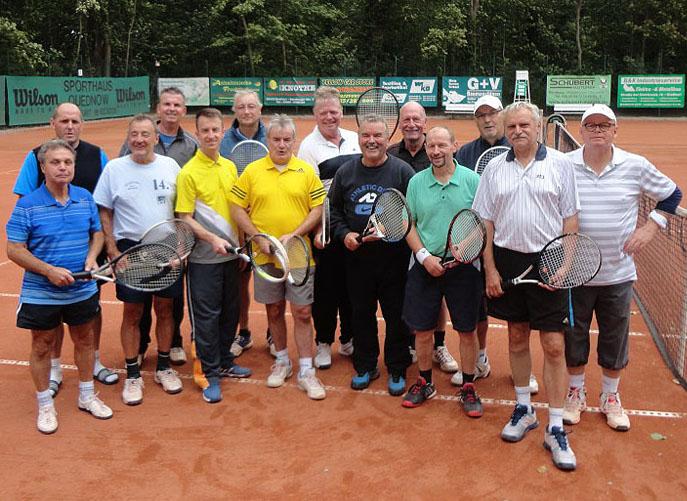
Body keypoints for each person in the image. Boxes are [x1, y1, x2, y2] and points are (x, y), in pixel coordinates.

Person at [472, 101, 580, 471]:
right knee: (517, 336)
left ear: (537, 127)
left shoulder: (560, 165)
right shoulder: (494, 169)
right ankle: (524, 409)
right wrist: (490, 269)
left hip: (549, 260)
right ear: (506, 130)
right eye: (512, 126)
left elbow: (570, 219)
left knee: (553, 345)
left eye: (524, 125)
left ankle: (555, 426)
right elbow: (485, 223)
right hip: (507, 260)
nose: (518, 131)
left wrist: (564, 266)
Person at [563, 104, 682, 431]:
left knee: (614, 338)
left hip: (618, 274)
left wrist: (651, 227)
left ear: (615, 130)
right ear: (581, 131)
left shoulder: (635, 165)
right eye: (591, 125)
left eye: (604, 125)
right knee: (573, 336)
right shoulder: (564, 164)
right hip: (574, 272)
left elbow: (672, 195)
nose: (597, 130)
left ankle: (610, 396)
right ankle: (575, 392)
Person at [7, 139, 113, 434]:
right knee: (42, 345)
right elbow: (14, 249)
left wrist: (91, 258)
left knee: (85, 341)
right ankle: (45, 404)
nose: (63, 167)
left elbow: (97, 234)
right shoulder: (27, 205)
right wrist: (49, 271)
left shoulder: (84, 198)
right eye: (55, 162)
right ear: (43, 167)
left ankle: (87, 396)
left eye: (68, 162)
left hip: (81, 289)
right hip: (41, 292)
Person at [229, 114, 327, 400]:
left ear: (294, 141)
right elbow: (236, 207)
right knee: (273, 309)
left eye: (287, 140)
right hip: (265, 255)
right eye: (276, 139)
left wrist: (296, 234)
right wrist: (257, 237)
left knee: (303, 312)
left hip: (298, 254)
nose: (281, 145)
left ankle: (306, 370)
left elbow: (318, 208)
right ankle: (282, 361)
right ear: (268, 140)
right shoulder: (252, 171)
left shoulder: (306, 171)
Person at [94, 114, 184, 406]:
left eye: (145, 134)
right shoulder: (114, 169)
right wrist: (111, 248)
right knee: (132, 312)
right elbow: (104, 210)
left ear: (156, 138)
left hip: (166, 246)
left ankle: (164, 367)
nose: (139, 140)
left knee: (166, 309)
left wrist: (180, 243)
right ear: (128, 137)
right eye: (134, 134)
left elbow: (181, 209)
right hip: (129, 248)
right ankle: (133, 374)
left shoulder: (171, 166)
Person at [455, 95, 539, 393]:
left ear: (501, 116)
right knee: (477, 306)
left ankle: (524, 371)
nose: (488, 119)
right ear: (476, 120)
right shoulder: (465, 153)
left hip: (511, 245)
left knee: (520, 317)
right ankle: (480, 358)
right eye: (481, 115)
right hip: (475, 241)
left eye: (492, 113)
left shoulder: (518, 145)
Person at [400, 126, 483, 416]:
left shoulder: (472, 180)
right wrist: (424, 257)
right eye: (431, 146)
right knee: (423, 331)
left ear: (454, 146)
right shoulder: (416, 182)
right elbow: (408, 223)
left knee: (467, 330)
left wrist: (465, 248)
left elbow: (483, 221)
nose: (436, 151)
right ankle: (424, 382)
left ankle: (469, 384)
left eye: (441, 145)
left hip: (465, 267)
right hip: (426, 265)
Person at [329, 114, 414, 396]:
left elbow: (413, 213)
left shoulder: (402, 172)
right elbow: (334, 210)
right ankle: (365, 365)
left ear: (388, 139)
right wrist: (345, 234)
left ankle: (397, 366)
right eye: (366, 135)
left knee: (396, 315)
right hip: (357, 261)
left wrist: (395, 230)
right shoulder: (346, 172)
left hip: (394, 260)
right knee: (361, 314)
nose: (372, 141)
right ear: (359, 138)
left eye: (378, 135)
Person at [176, 108, 252, 403]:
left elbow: (237, 210)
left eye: (215, 130)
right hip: (203, 260)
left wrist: (241, 246)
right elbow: (185, 216)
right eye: (205, 130)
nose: (210, 135)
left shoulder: (230, 167)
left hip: (231, 257)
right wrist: (211, 239)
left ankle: (224, 361)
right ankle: (208, 373)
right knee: (206, 318)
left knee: (230, 312)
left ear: (223, 132)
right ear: (197, 134)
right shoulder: (188, 173)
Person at [120, 87, 198, 366]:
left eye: (177, 105)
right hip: (138, 237)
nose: (171, 109)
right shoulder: (135, 140)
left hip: (172, 233)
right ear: (158, 108)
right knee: (138, 297)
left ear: (183, 110)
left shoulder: (191, 145)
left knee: (171, 298)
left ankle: (174, 342)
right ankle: (141, 344)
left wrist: (183, 235)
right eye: (167, 104)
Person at [387, 101, 460, 376]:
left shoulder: (438, 153)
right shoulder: (390, 154)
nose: (411, 124)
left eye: (416, 119)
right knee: (404, 296)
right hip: (400, 239)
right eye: (406, 119)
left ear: (425, 122)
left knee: (436, 298)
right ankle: (409, 345)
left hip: (428, 242)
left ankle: (438, 345)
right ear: (400, 123)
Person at [298, 86, 360, 370]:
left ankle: (348, 339)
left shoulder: (355, 140)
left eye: (334, 112)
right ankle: (323, 341)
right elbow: (310, 195)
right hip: (326, 229)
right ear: (315, 114)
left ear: (341, 112)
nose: (329, 117)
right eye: (323, 113)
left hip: (353, 229)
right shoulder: (308, 147)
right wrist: (318, 230)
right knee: (326, 291)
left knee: (352, 288)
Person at [218, 90, 268, 358]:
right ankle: (244, 332)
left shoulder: (272, 136)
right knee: (240, 280)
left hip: (267, 220)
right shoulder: (223, 142)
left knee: (271, 278)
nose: (247, 111)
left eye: (251, 106)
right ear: (234, 111)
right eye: (241, 107)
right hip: (235, 223)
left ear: (260, 108)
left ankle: (272, 333)